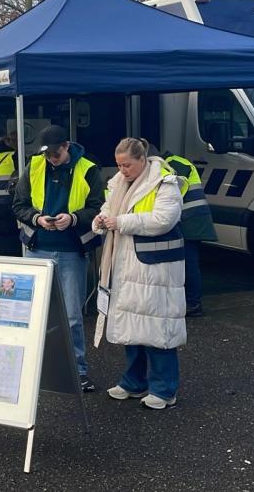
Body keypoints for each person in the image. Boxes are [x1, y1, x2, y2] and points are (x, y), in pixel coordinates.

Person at [94, 137, 186, 410]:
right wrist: (99, 220)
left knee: (158, 329)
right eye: (119, 165)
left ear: (143, 160)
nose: (122, 170)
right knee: (131, 328)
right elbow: (107, 210)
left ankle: (165, 389)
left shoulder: (165, 182)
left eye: (127, 165)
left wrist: (120, 222)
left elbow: (163, 219)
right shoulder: (118, 184)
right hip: (127, 266)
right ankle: (134, 382)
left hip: (155, 269)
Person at [12, 125, 103, 392]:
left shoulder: (88, 169)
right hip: (37, 246)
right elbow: (19, 204)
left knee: (72, 315)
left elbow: (99, 207)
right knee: (32, 313)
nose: (52, 158)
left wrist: (73, 218)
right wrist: (37, 218)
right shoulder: (35, 166)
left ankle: (78, 371)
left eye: (56, 153)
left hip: (71, 250)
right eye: (48, 154)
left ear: (66, 146)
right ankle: (33, 368)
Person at [164, 151, 215, 317]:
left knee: (189, 264)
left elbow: (171, 186)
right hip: (193, 218)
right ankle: (192, 302)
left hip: (190, 220)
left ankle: (193, 303)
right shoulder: (177, 161)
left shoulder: (172, 162)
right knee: (189, 263)